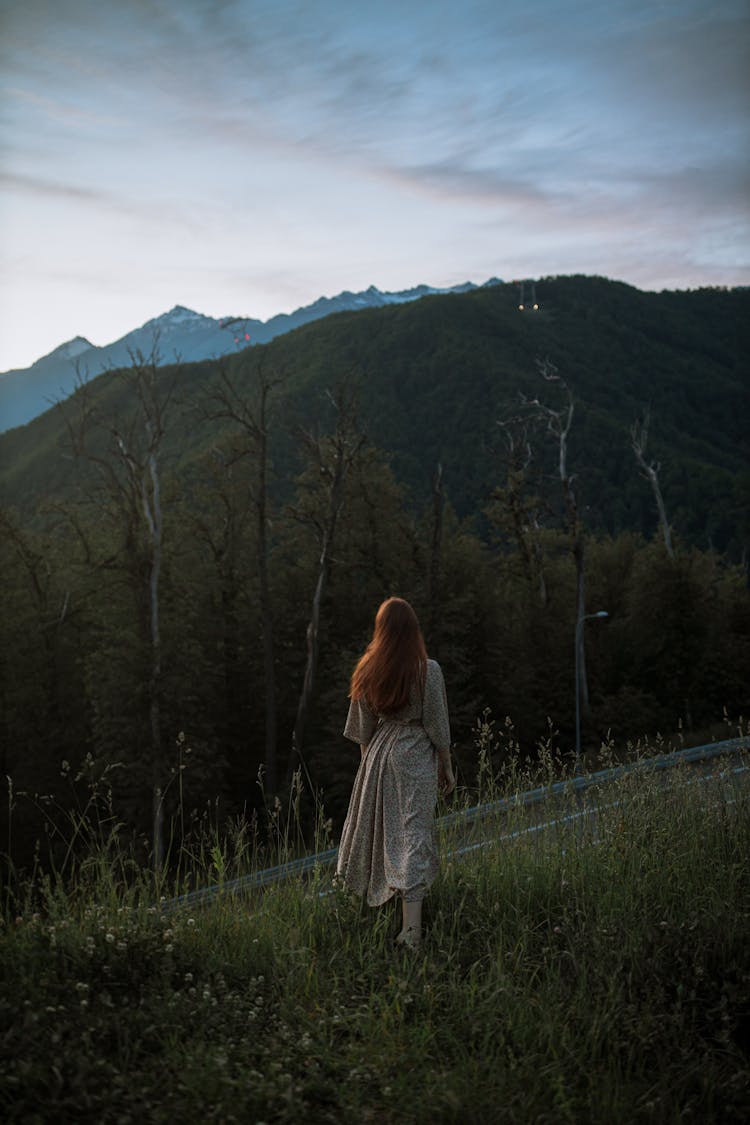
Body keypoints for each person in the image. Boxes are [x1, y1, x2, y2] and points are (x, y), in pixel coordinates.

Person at [336, 596, 455, 947]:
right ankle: (412, 930)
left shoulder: (367, 669)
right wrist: (446, 765)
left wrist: (369, 770)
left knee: (380, 833)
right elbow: (436, 724)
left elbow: (361, 732)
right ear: (412, 631)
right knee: (412, 834)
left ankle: (378, 911)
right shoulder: (427, 669)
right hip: (414, 754)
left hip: (378, 756)